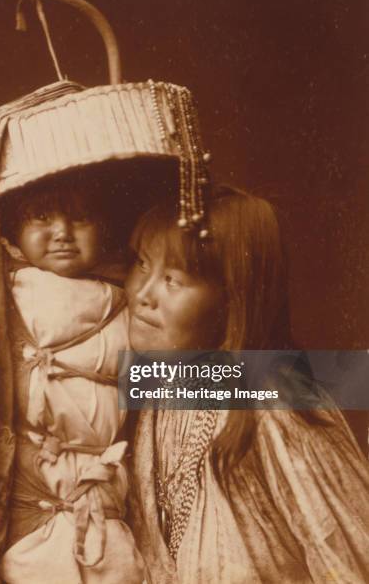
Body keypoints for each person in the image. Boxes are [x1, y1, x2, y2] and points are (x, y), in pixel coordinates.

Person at [126, 185, 369, 584]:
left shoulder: (277, 407)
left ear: (231, 300)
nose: (142, 294)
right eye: (140, 264)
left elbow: (350, 557)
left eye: (172, 280)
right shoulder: (159, 387)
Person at [0, 173, 145, 583]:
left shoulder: (129, 296)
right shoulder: (7, 291)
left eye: (80, 218)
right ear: (14, 229)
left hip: (104, 474)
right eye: (41, 217)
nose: (61, 233)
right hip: (36, 476)